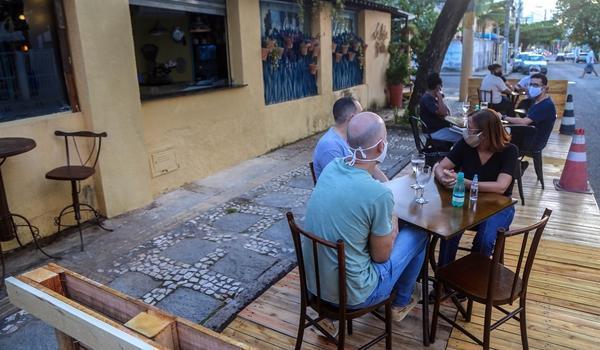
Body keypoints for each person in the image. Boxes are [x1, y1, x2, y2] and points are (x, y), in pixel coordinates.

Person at [304, 112, 427, 333]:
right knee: (418, 232)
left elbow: (362, 169)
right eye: (386, 140)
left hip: (315, 287)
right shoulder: (377, 195)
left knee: (362, 237)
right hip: (355, 296)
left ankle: (330, 318)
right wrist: (393, 221)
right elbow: (381, 257)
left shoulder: (332, 167)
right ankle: (400, 302)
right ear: (381, 147)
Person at [434, 109, 518, 269]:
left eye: (470, 129)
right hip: (466, 202)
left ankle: (472, 278)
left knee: (485, 240)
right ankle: (443, 279)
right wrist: (443, 178)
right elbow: (440, 166)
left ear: (485, 133)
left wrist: (465, 182)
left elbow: (501, 186)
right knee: (449, 232)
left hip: (499, 206)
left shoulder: (509, 151)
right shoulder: (466, 144)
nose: (466, 132)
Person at [312, 96, 388, 182]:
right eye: (361, 114)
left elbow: (372, 166)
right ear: (352, 118)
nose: (364, 117)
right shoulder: (330, 146)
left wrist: (389, 186)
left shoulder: (353, 137)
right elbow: (340, 183)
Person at [504, 73, 557, 153]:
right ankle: (516, 163)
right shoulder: (537, 101)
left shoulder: (545, 105)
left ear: (544, 88)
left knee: (498, 142)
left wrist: (503, 117)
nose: (532, 87)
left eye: (535, 85)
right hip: (529, 135)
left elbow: (524, 122)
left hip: (533, 142)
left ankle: (513, 163)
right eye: (531, 84)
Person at [419, 72, 461, 143]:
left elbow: (447, 112)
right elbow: (443, 113)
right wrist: (440, 98)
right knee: (463, 138)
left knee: (462, 134)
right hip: (434, 132)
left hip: (439, 129)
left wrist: (439, 99)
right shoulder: (427, 99)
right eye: (441, 86)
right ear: (438, 86)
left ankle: (456, 153)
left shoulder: (432, 98)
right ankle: (456, 154)